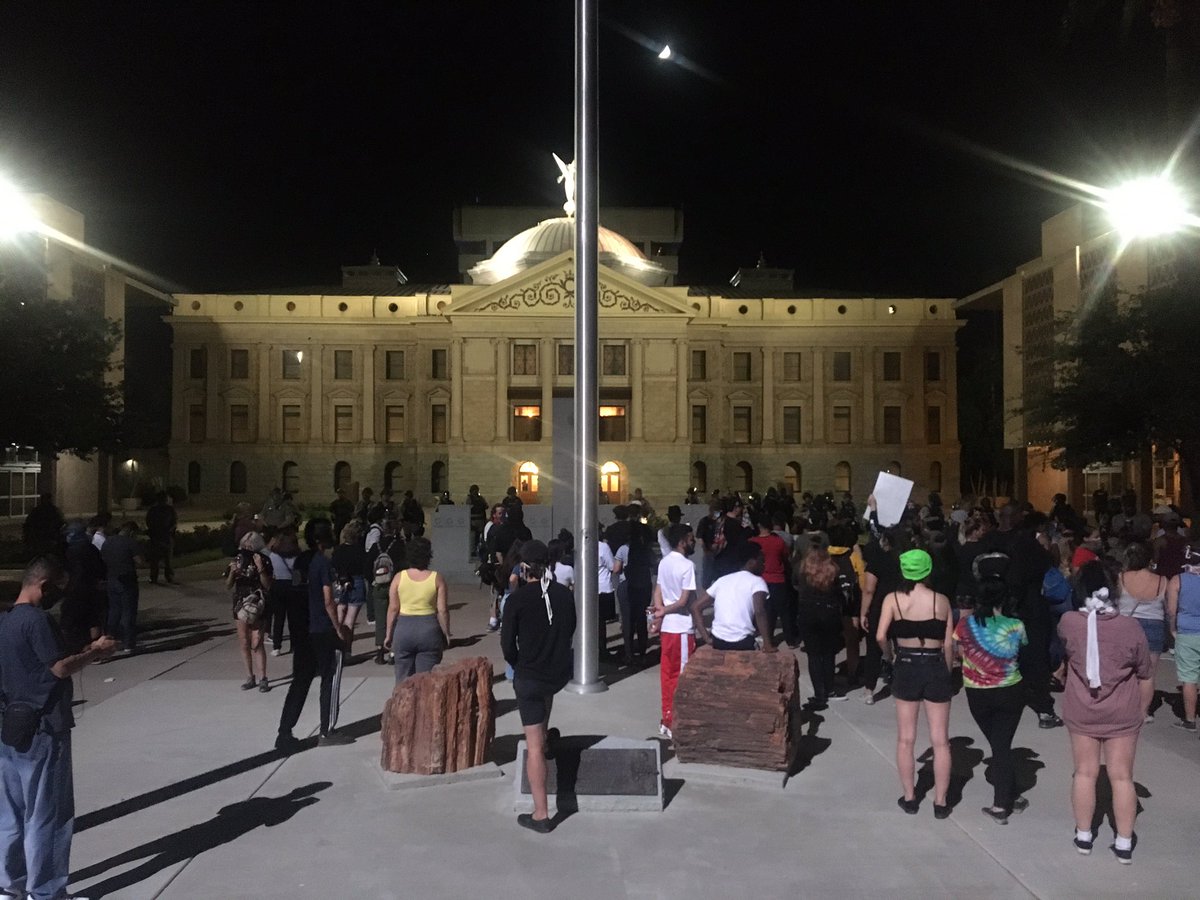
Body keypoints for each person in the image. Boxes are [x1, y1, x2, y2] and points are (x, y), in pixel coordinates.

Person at [0, 557, 117, 900]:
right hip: (43, 728)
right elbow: (59, 668)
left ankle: (9, 885)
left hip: (9, 726)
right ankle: (47, 892)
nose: (61, 596)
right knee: (48, 815)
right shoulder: (37, 621)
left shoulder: (5, 622)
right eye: (60, 588)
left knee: (12, 813)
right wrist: (96, 651)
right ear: (44, 585)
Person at [1057, 561, 1153, 863]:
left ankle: (1084, 836)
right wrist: (1140, 711)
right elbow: (1145, 674)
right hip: (1122, 711)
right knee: (1122, 777)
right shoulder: (1130, 627)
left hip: (1082, 709)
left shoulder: (1068, 622)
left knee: (1085, 772)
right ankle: (1124, 842)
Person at [501, 540, 577, 834]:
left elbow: (507, 644)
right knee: (545, 693)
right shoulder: (562, 594)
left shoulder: (517, 600)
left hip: (530, 674)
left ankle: (541, 813)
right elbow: (569, 629)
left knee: (531, 747)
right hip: (556, 673)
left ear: (523, 567)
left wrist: (519, 662)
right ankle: (546, 737)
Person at [876, 548, 955, 818]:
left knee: (906, 738)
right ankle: (941, 801)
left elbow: (880, 636)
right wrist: (946, 669)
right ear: (928, 570)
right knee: (941, 740)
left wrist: (890, 658)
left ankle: (910, 797)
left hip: (906, 664)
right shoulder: (941, 601)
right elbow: (948, 644)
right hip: (934, 664)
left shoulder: (893, 599)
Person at [954, 552, 1030, 824]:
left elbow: (958, 651)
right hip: (1011, 691)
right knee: (1001, 744)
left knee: (998, 744)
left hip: (978, 693)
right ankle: (1006, 796)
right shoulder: (1016, 625)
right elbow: (1022, 650)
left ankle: (1003, 803)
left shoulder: (965, 625)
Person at [276, 519, 355, 750]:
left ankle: (284, 731)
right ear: (324, 539)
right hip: (321, 627)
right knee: (330, 676)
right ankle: (327, 730)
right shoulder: (322, 563)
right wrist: (339, 628)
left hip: (302, 629)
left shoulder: (301, 561)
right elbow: (328, 599)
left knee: (300, 681)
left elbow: (296, 591)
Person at [795, 533, 853, 708]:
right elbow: (840, 594)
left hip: (807, 613)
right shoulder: (833, 570)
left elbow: (795, 586)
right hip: (829, 613)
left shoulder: (802, 569)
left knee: (813, 655)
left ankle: (818, 693)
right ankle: (829, 689)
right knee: (828, 654)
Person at [651, 524, 698, 738]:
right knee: (681, 676)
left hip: (668, 629)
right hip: (681, 629)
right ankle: (675, 721)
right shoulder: (688, 566)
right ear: (681, 542)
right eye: (691, 538)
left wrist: (659, 613)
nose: (694, 541)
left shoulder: (664, 562)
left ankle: (666, 718)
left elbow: (658, 590)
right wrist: (664, 611)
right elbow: (684, 601)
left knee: (667, 675)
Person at [384, 537, 449, 682]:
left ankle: (402, 704)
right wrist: (446, 632)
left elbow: (393, 609)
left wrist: (388, 635)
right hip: (428, 629)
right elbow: (442, 610)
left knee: (402, 680)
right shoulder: (437, 578)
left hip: (404, 629)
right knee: (426, 681)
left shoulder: (399, 578)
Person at [692, 542, 775, 652]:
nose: (764, 564)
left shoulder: (722, 580)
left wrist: (707, 638)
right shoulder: (757, 582)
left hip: (718, 640)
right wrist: (767, 644)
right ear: (751, 562)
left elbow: (695, 607)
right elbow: (759, 611)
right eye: (761, 560)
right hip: (743, 641)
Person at [1116, 542, 1166, 721]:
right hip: (1154, 626)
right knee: (1148, 674)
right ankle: (1143, 712)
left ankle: (1121, 707)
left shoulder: (1121, 578)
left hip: (1126, 626)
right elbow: (1167, 608)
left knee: (1122, 669)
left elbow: (1115, 603)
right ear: (1150, 560)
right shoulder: (1162, 581)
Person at [226, 531, 273, 692]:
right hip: (240, 602)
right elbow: (227, 585)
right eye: (244, 545)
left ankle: (263, 677)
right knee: (244, 642)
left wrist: (260, 568)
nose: (246, 549)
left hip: (257, 602)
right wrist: (233, 572)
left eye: (250, 546)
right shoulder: (238, 559)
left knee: (257, 643)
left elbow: (267, 585)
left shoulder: (264, 560)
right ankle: (249, 676)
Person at [1166, 543, 1200, 731]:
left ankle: (1190, 720)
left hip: (1186, 631)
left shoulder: (1178, 580)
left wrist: (1172, 629)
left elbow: (1172, 610)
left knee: (1189, 677)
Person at [61, 521, 107, 654]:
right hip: (92, 589)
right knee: (93, 619)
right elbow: (101, 568)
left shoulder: (72, 550)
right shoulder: (91, 548)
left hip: (76, 590)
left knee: (67, 620)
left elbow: (72, 572)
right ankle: (96, 652)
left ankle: (67, 649)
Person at [750, 514, 795, 647]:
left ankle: (767, 637)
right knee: (784, 611)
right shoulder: (779, 541)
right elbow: (786, 556)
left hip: (761, 579)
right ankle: (790, 639)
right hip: (778, 578)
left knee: (763, 610)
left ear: (759, 526)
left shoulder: (753, 542)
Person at [101, 521, 145, 655]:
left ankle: (108, 641)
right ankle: (128, 644)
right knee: (128, 612)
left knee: (114, 612)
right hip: (127, 580)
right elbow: (140, 561)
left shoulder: (107, 542)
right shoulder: (130, 542)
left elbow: (103, 559)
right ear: (131, 531)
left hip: (111, 580)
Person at [331, 522, 367, 657]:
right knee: (350, 620)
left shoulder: (338, 550)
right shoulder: (360, 551)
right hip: (356, 582)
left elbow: (333, 566)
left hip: (340, 583)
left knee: (339, 616)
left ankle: (337, 646)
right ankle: (347, 650)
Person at [266, 529, 302, 657]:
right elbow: (298, 575)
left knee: (279, 618)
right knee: (294, 618)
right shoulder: (297, 556)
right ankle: (294, 645)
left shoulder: (273, 556)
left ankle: (277, 646)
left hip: (278, 585)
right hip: (292, 586)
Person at [144, 491, 178, 584]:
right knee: (167, 559)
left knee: (156, 559)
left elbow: (148, 522)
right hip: (164, 536)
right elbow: (174, 523)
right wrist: (170, 531)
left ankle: (154, 577)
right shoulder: (169, 510)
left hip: (157, 537)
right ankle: (168, 577)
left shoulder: (153, 510)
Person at [21, 494, 64, 559]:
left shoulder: (40, 511)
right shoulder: (52, 511)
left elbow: (60, 523)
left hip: (45, 538)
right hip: (43, 538)